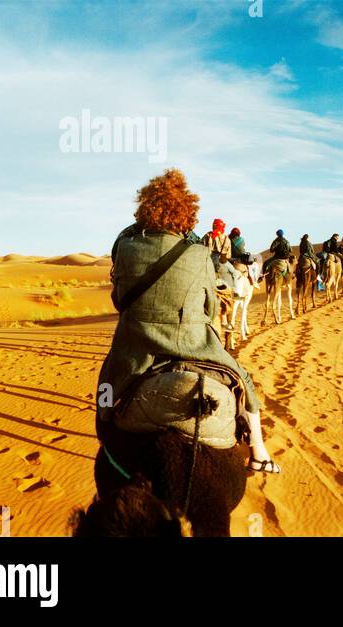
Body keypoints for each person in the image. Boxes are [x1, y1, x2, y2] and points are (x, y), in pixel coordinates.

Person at [97, 168, 281, 477]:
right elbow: (210, 309)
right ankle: (259, 453)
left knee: (105, 384)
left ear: (144, 208)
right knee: (244, 383)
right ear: (188, 212)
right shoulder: (199, 253)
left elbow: (119, 302)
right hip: (197, 347)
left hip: (134, 353)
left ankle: (105, 434)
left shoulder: (126, 249)